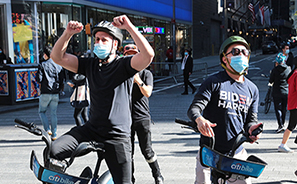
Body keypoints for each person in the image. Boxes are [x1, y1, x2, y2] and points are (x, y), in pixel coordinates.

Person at [50, 15, 154, 184]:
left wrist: (129, 27)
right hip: (92, 129)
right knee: (55, 149)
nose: (99, 43)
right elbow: (57, 57)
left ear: (115, 44)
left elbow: (148, 55)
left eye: (104, 40)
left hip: (117, 137)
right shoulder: (90, 65)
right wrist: (67, 34)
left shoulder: (124, 65)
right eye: (97, 39)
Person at [187, 36, 262, 184]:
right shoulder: (213, 82)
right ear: (224, 59)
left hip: (236, 152)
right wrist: (199, 119)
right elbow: (194, 108)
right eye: (235, 51)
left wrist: (252, 129)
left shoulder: (253, 89)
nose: (241, 55)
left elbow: (250, 120)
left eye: (244, 52)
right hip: (209, 152)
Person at [123, 44, 164, 184]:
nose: (131, 57)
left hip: (142, 118)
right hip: (125, 119)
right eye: (128, 54)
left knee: (147, 151)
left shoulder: (146, 73)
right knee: (128, 153)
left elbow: (148, 93)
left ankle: (157, 175)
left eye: (133, 54)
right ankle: (130, 179)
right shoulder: (121, 75)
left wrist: (138, 81)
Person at [36, 46, 65, 141]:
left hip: (45, 92)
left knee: (42, 111)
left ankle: (47, 129)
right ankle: (54, 134)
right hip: (55, 92)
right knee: (53, 113)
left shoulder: (42, 65)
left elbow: (39, 79)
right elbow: (62, 80)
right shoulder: (58, 65)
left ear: (45, 55)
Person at [277, 58, 297, 153]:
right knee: (291, 126)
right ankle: (282, 144)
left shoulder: (293, 73)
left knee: (292, 125)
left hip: (293, 104)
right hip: (296, 105)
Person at [269, 53, 291, 133]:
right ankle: (283, 123)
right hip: (286, 90)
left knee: (278, 108)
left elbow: (271, 80)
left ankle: (280, 124)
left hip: (277, 91)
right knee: (284, 108)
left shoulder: (275, 70)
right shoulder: (288, 69)